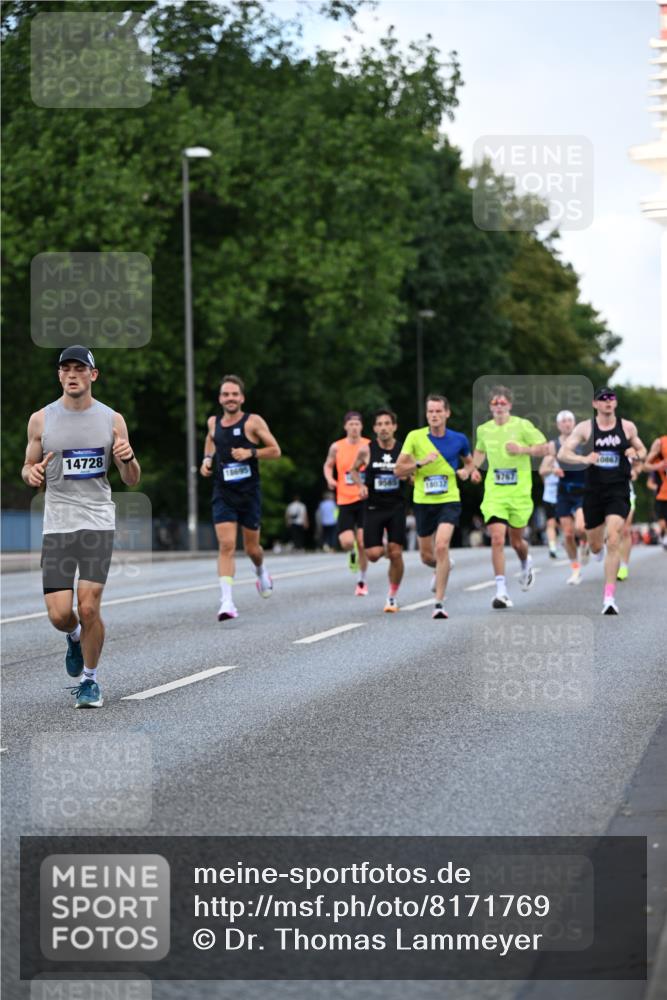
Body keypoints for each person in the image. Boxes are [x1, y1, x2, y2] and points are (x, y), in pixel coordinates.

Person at [22, 346, 140, 708]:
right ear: (59, 375)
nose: (72, 375)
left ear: (93, 375)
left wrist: (128, 459)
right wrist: (32, 473)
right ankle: (73, 636)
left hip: (96, 522)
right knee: (60, 614)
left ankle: (90, 681)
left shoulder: (112, 420)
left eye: (79, 369)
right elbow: (27, 467)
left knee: (89, 607)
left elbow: (131, 479)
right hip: (57, 524)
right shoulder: (41, 420)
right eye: (66, 369)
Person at [558, 386, 646, 614]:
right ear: (595, 404)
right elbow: (563, 453)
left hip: (618, 489)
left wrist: (634, 454)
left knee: (614, 537)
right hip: (594, 492)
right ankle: (595, 551)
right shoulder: (586, 428)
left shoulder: (627, 427)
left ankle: (609, 598)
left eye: (611, 399)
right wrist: (583, 457)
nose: (608, 402)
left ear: (615, 403)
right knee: (596, 544)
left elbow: (643, 449)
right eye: (603, 399)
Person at [201, 375, 281, 621]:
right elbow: (211, 440)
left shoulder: (252, 422)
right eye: (226, 394)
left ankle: (261, 571)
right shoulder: (213, 422)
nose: (230, 398)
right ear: (220, 398)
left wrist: (250, 452)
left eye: (234, 394)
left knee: (252, 549)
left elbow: (276, 451)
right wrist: (206, 460)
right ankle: (227, 602)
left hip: (249, 494)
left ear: (242, 398)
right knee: (226, 545)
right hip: (223, 493)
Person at [395, 395, 479, 619]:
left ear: (447, 413)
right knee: (426, 556)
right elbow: (398, 470)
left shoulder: (459, 439)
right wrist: (420, 463)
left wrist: (466, 472)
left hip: (449, 499)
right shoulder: (415, 436)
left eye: (438, 411)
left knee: (441, 546)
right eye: (430, 411)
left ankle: (439, 603)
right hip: (423, 501)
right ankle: (444, 565)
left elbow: (469, 463)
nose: (434, 415)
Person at [470, 386, 549, 609]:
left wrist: (522, 450)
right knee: (497, 538)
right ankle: (501, 591)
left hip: (520, 494)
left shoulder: (522, 425)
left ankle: (525, 562)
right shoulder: (484, 430)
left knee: (517, 542)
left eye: (503, 403)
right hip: (495, 493)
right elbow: (480, 451)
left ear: (510, 405)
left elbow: (544, 448)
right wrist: (474, 469)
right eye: (495, 403)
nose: (499, 406)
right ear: (490, 407)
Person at [349, 409, 407, 612]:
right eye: (379, 424)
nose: (383, 428)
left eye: (387, 424)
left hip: (396, 507)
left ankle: (392, 595)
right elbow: (353, 470)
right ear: (374, 428)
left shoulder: (403, 450)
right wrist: (360, 486)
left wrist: (408, 477)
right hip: (373, 507)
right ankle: (383, 546)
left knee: (396, 552)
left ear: (394, 427)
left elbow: (413, 473)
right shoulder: (367, 450)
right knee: (373, 555)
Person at [323, 411, 370, 595]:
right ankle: (352, 554)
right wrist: (329, 478)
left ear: (362, 426)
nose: (354, 427)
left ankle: (361, 581)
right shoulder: (337, 447)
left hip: (364, 498)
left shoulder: (368, 445)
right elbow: (327, 464)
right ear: (345, 427)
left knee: (363, 541)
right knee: (347, 542)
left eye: (357, 424)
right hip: (344, 499)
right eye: (351, 424)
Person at [541, 410, 589, 585]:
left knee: (581, 528)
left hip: (582, 491)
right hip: (564, 492)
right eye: (563, 421)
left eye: (570, 420)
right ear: (558, 425)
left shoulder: (583, 442)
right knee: (568, 534)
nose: (567, 424)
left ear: (574, 423)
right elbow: (542, 470)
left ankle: (585, 543)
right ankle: (575, 569)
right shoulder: (553, 445)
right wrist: (553, 470)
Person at [644, 433, 667, 550]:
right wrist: (659, 465)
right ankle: (664, 535)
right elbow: (645, 466)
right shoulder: (660, 443)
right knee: (662, 522)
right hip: (661, 493)